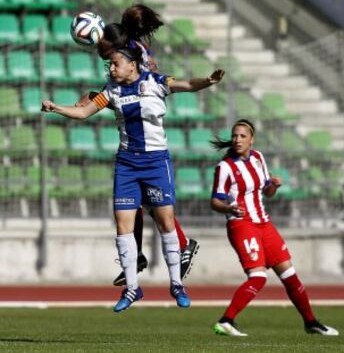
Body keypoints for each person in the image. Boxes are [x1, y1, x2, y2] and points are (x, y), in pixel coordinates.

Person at [41, 44, 225, 312]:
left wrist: (207, 81)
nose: (111, 68)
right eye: (111, 65)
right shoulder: (110, 91)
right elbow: (83, 112)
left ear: (132, 65)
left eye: (115, 63)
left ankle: (176, 284)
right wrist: (56, 107)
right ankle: (132, 288)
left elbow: (187, 84)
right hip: (127, 163)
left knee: (166, 222)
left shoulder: (156, 81)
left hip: (155, 162)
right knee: (123, 226)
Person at [76, 4, 200, 286]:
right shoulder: (131, 52)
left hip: (147, 136)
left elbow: (136, 93)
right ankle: (143, 253)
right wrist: (96, 96)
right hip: (136, 129)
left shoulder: (131, 56)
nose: (106, 61)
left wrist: (96, 98)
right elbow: (122, 95)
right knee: (139, 202)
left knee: (149, 203)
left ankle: (180, 244)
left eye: (106, 55)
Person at [209, 119, 339, 337]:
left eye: (242, 136)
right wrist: (229, 208)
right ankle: (226, 321)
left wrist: (274, 186)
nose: (237, 140)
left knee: (290, 275)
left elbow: (266, 192)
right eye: (234, 136)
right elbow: (214, 202)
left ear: (252, 139)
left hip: (264, 224)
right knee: (259, 277)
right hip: (242, 225)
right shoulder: (225, 167)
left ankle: (311, 323)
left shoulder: (258, 158)